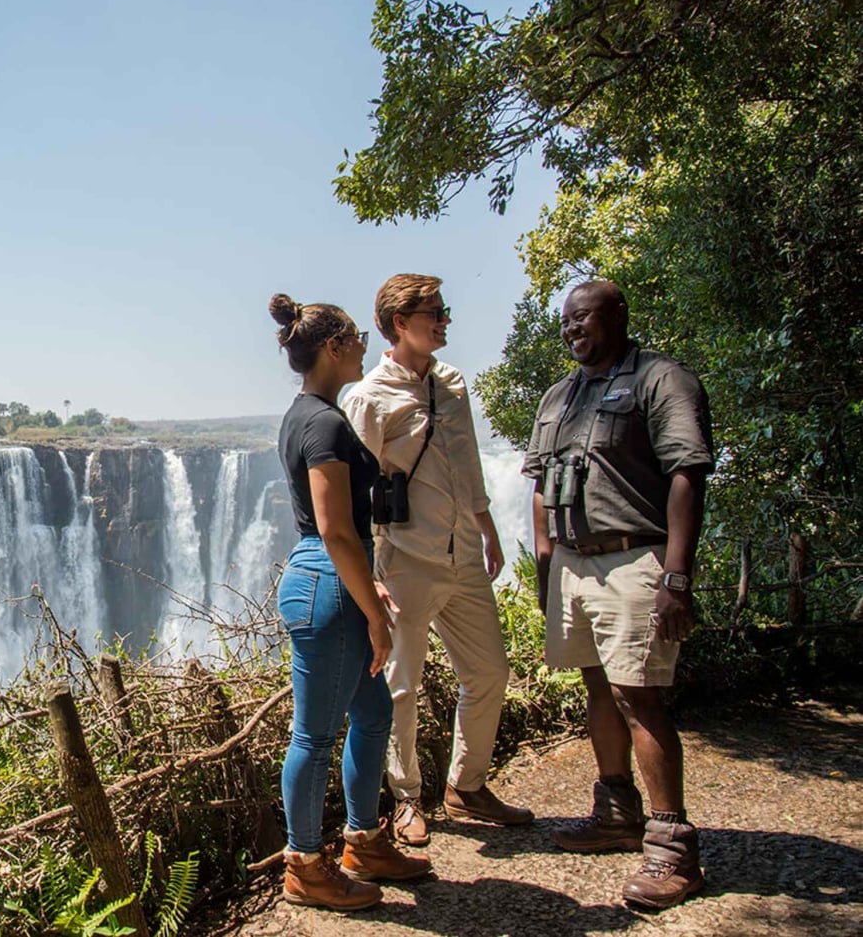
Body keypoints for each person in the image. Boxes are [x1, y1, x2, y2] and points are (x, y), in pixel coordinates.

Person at [523, 280, 713, 909]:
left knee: (641, 696)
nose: (573, 329)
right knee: (597, 685)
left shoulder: (662, 381)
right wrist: (546, 567)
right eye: (566, 322)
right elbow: (541, 490)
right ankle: (616, 813)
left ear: (619, 316)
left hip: (636, 557)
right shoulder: (559, 396)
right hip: (574, 565)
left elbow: (687, 474)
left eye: (584, 318)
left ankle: (673, 848)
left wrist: (676, 576)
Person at [341, 275, 534, 847]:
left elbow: (467, 462)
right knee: (402, 685)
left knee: (489, 672)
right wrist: (371, 576)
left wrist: (488, 527)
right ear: (401, 323)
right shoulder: (369, 397)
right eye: (435, 313)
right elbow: (355, 491)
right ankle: (406, 801)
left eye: (444, 311)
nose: (446, 320)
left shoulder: (451, 383)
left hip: (464, 556)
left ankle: (466, 786)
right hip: (404, 561)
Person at [267, 293, 431, 912]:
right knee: (312, 735)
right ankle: (305, 865)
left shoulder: (305, 414)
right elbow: (335, 528)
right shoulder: (326, 423)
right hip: (330, 582)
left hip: (335, 575)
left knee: (372, 715)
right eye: (359, 336)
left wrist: (369, 583)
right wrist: (371, 610)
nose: (367, 344)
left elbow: (339, 534)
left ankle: (363, 842)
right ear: (334, 346)